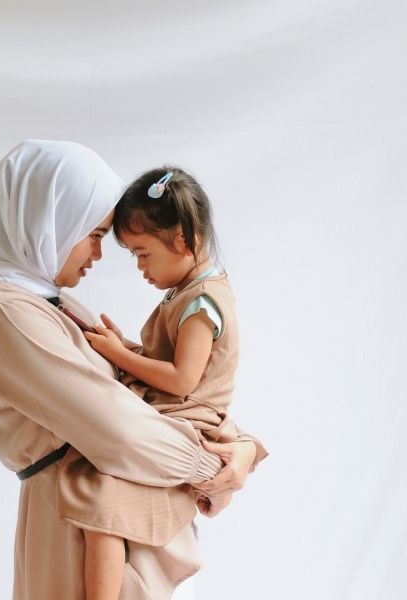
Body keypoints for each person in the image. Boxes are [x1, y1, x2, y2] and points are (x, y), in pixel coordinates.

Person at [0, 140, 264, 600]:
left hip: (105, 503)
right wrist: (213, 467)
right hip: (75, 518)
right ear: (52, 220)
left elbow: (145, 388)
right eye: (95, 235)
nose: (98, 255)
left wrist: (238, 445)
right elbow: (119, 427)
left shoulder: (47, 300)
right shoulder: (5, 312)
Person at [58, 166, 266, 599]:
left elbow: (181, 379)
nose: (139, 267)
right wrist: (127, 349)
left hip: (189, 419)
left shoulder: (202, 303)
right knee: (102, 503)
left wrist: (118, 355)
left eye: (143, 253)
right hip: (175, 411)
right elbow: (166, 363)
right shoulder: (188, 293)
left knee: (104, 504)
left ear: (183, 241)